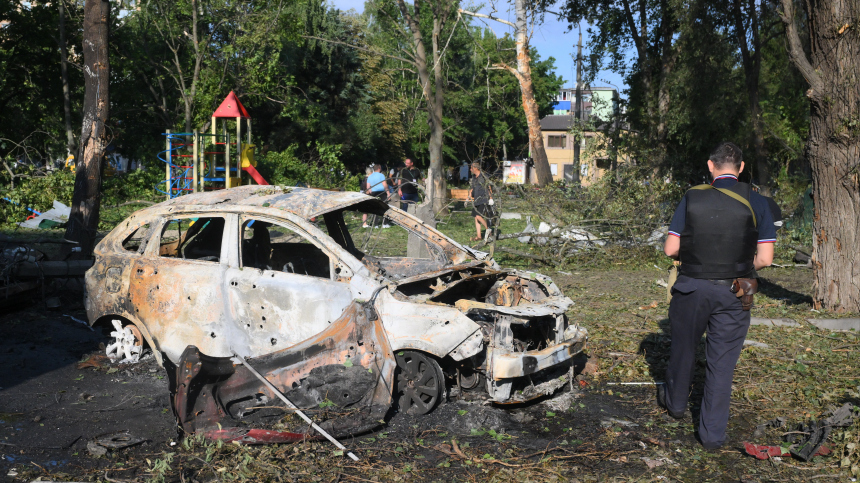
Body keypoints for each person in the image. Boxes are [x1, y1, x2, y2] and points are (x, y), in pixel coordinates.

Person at [661, 142, 775, 450]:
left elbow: (671, 249)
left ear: (711, 166)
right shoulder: (759, 203)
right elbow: (765, 258)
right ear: (740, 168)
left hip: (691, 287)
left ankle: (675, 406)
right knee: (722, 363)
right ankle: (711, 437)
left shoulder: (692, 196)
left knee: (683, 349)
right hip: (735, 291)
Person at [468, 162, 494, 241]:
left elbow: (489, 187)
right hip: (476, 200)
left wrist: (491, 198)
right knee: (476, 219)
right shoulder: (474, 178)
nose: (470, 169)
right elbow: (472, 188)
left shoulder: (483, 176)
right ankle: (479, 236)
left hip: (483, 199)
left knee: (478, 216)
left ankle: (488, 230)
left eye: (471, 168)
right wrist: (468, 197)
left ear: (476, 168)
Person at [365, 164, 390, 228]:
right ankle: (385, 223)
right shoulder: (381, 175)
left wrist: (370, 192)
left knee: (375, 208)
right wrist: (388, 193)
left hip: (374, 193)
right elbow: (385, 185)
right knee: (384, 208)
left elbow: (368, 187)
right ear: (379, 168)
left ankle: (376, 224)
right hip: (382, 193)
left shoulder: (370, 176)